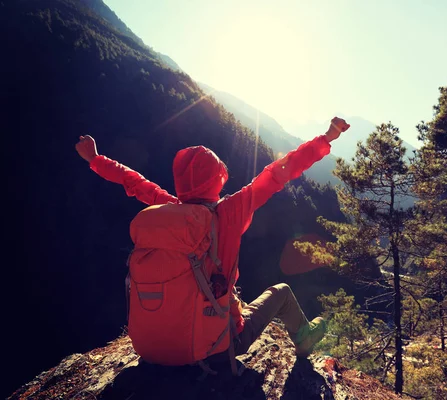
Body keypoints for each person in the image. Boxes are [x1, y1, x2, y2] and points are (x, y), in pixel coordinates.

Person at [75, 117, 350, 367]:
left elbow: (135, 182)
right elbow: (278, 172)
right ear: (217, 180)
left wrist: (95, 159)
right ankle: (304, 339)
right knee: (282, 293)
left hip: (149, 348)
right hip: (214, 348)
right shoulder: (227, 212)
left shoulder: (167, 207)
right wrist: (326, 138)